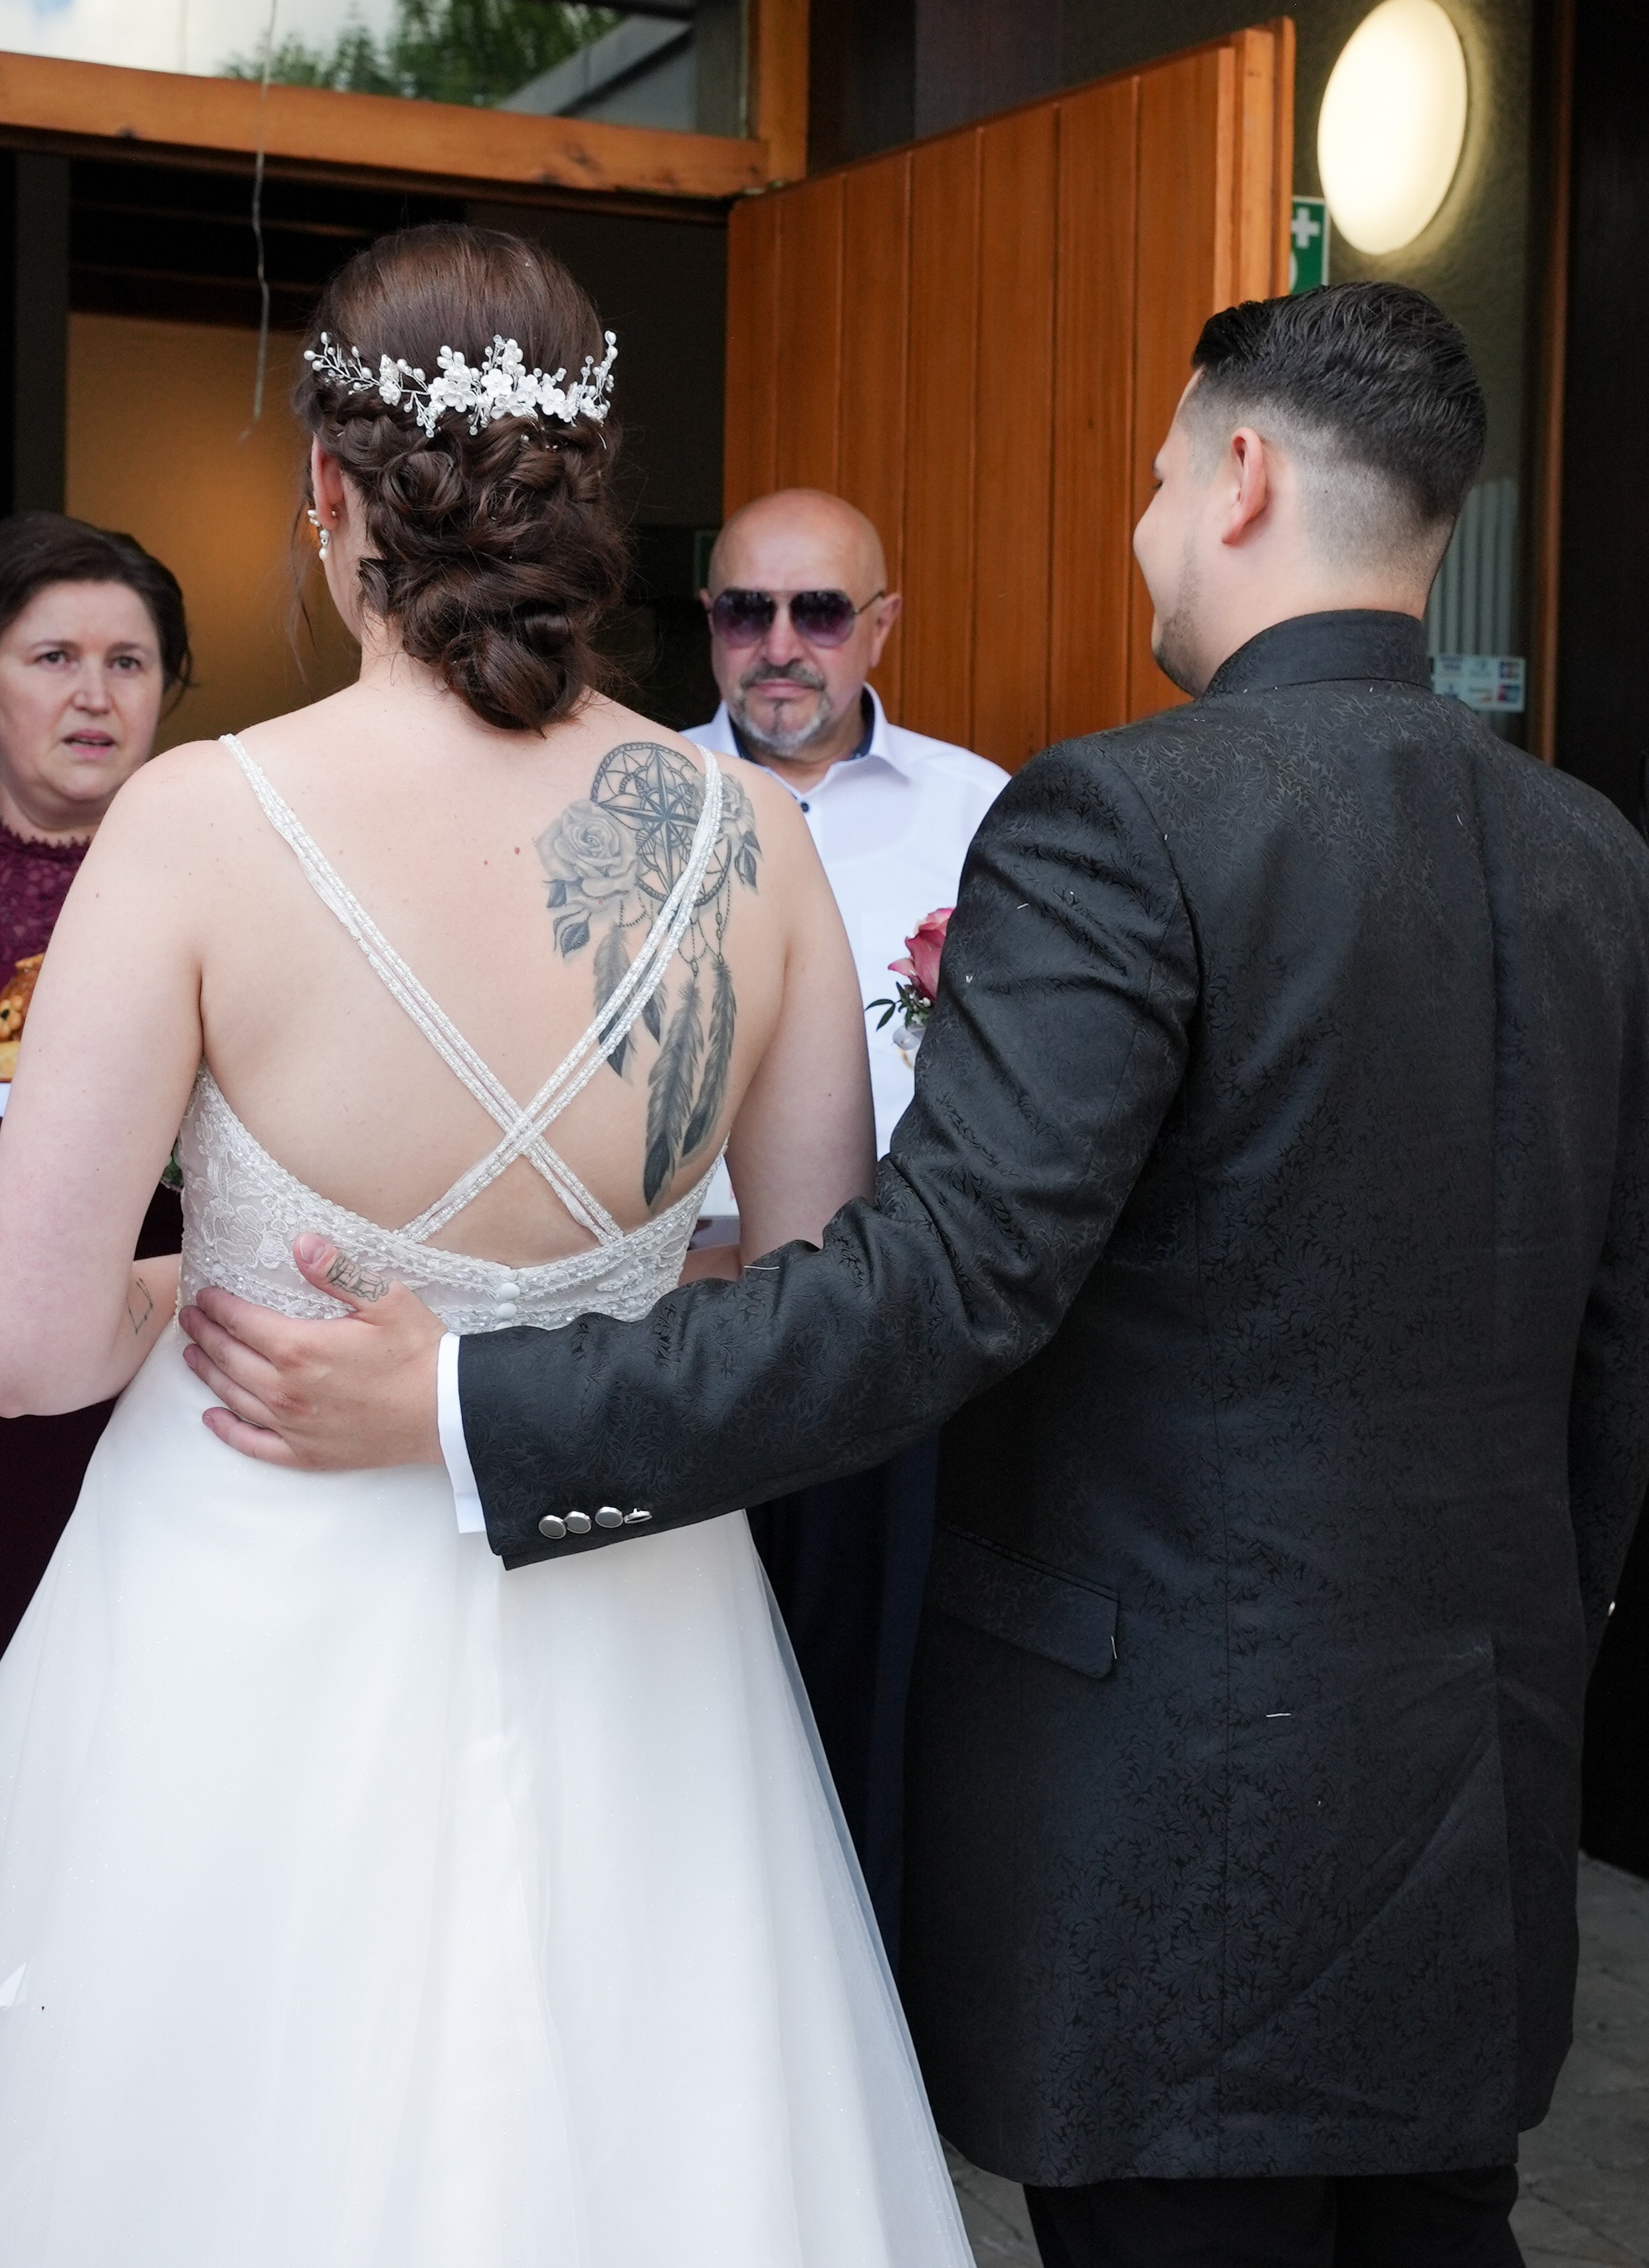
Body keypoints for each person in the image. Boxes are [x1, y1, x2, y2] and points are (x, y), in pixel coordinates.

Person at [186, 282, 1649, 2267]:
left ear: (1236, 479)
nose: (1139, 531)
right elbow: (1610, 1346)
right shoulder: (1592, 853)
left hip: (1180, 1834)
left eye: (1148, 480)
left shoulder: (1127, 817)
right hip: (1478, 1802)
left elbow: (932, 1288)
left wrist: (470, 1399)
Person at [0, 224, 973, 2265]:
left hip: (241, 1587)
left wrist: (196, 1288)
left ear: (330, 491)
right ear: (586, 494)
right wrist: (543, 1336)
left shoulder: (202, 820)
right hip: (638, 1600)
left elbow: (32, 1346)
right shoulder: (751, 844)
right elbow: (819, 1305)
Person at [688, 486, 1007, 1956]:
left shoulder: (981, 816)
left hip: (888, 1333)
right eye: (742, 611)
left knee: (864, 1685)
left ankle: (853, 2003)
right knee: (681, 1685)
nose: (777, 647)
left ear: (880, 624)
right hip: (669, 1322)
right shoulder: (627, 800)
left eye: (816, 612)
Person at [0, 512, 190, 1754]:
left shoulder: (225, 882)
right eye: (52, 659)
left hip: (171, 1331)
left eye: (129, 661)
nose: (94, 695)